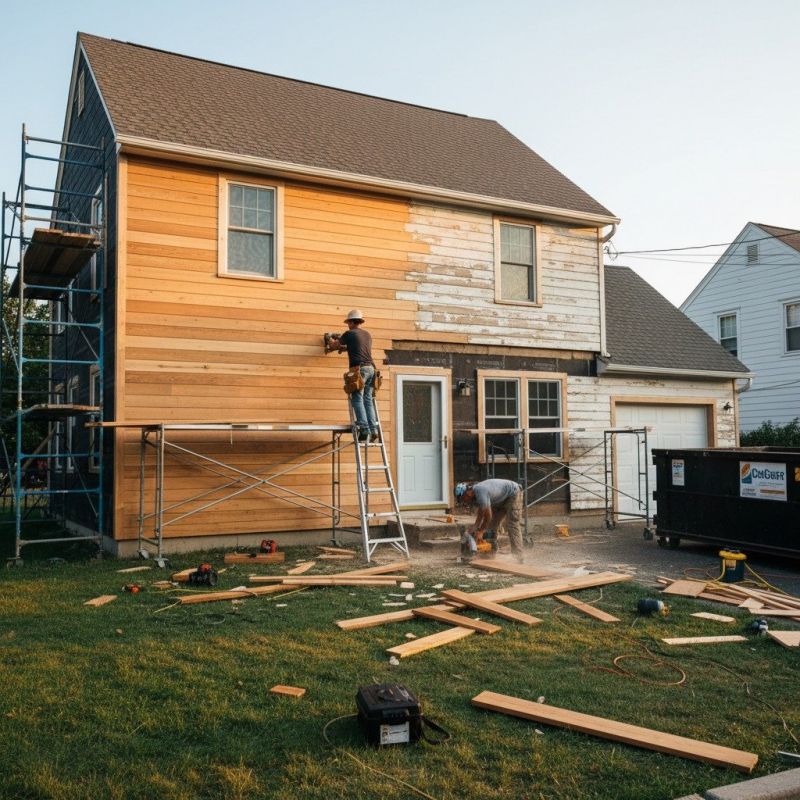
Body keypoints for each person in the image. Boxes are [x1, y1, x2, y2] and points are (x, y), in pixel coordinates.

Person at [327, 309, 379, 442]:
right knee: (367, 400)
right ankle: (373, 429)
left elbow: (333, 345)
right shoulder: (367, 334)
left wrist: (329, 338)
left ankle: (364, 429)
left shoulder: (349, 334)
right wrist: (345, 348)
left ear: (350, 322)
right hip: (372, 369)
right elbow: (357, 348)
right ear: (360, 322)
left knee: (357, 398)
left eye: (348, 322)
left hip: (359, 369)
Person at [454, 479, 525, 562]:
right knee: (491, 526)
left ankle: (518, 557)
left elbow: (488, 516)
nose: (464, 501)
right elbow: (481, 512)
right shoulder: (476, 493)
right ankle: (490, 553)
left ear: (467, 492)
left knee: (512, 525)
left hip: (513, 493)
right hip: (500, 499)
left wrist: (481, 531)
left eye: (463, 498)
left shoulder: (479, 491)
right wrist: (476, 527)